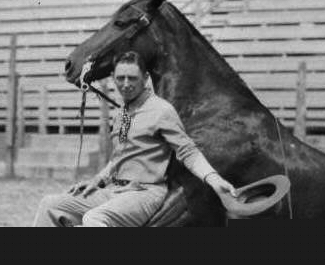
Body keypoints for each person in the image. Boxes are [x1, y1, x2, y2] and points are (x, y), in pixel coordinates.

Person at [34, 51, 236, 227]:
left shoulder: (161, 110)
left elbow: (188, 151)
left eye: (132, 78)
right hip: (114, 190)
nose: (126, 84)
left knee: (94, 218)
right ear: (113, 78)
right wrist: (97, 180)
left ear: (145, 78)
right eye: (120, 78)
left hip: (144, 193)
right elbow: (119, 158)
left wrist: (215, 180)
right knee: (50, 204)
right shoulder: (122, 112)